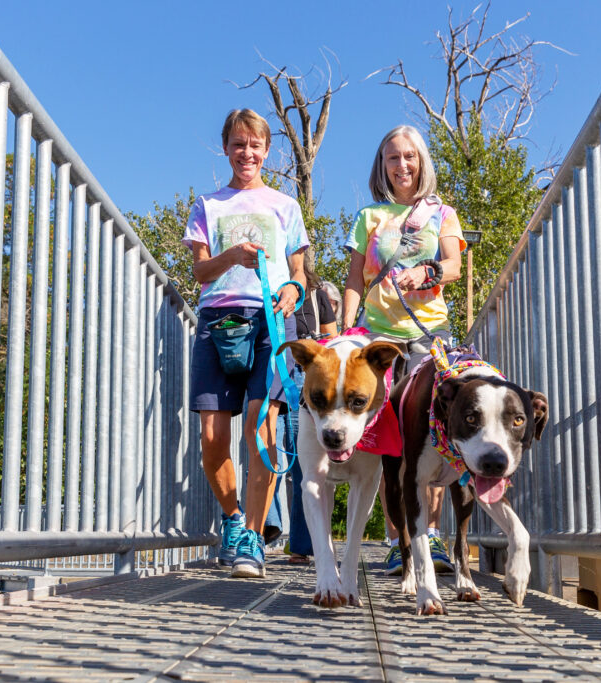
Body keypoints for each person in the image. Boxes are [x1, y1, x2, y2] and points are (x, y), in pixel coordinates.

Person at [183, 108, 308, 579]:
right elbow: (199, 271)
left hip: (271, 321)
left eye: (255, 145)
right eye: (238, 144)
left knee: (261, 427)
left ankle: (252, 539)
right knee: (213, 438)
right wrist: (231, 255)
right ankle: (233, 520)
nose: (247, 153)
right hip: (219, 320)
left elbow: (297, 272)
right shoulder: (207, 205)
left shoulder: (285, 205)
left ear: (266, 150)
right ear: (227, 148)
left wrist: (295, 289)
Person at [341, 124, 464, 576]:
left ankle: (428, 540)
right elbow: (355, 278)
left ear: (422, 162)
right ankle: (399, 540)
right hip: (379, 339)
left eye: (409, 156)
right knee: (392, 441)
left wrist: (427, 273)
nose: (402, 165)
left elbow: (452, 265)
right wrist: (346, 330)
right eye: (393, 158)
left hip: (430, 335)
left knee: (430, 436)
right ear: (382, 165)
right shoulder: (369, 217)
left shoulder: (440, 213)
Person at [280, 250, 338, 564]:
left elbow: (332, 338)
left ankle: (304, 545)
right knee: (269, 451)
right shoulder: (265, 287)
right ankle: (267, 529)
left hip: (307, 385)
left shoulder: (316, 296)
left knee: (304, 463)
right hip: (275, 374)